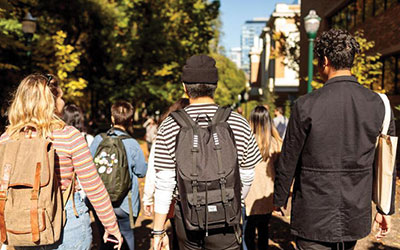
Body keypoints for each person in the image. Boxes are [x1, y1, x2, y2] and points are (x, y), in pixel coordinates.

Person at [273, 29, 396, 250]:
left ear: (325, 61)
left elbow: (289, 158)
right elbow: (388, 161)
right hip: (355, 211)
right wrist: (384, 209)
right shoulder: (379, 104)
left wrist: (279, 198)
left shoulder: (305, 105)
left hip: (313, 211)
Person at [0, 73, 123, 250]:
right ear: (50, 101)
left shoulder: (6, 140)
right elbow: (93, 186)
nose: (63, 102)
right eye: (61, 97)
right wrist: (111, 226)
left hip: (23, 226)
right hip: (68, 226)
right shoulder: (69, 136)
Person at [152, 55, 262, 250]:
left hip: (187, 217)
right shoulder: (237, 122)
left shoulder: (169, 124)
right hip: (227, 216)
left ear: (185, 87)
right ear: (215, 86)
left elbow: (164, 184)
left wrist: (158, 232)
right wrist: (230, 199)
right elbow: (247, 174)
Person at [90, 101, 147, 250]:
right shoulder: (133, 144)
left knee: (104, 238)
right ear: (130, 120)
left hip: (101, 201)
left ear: (112, 119)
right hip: (125, 203)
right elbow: (142, 171)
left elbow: (89, 168)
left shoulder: (99, 139)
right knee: (127, 235)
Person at [142, 98, 190, 250]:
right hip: (200, 197)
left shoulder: (165, 134)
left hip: (174, 197)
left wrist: (148, 197)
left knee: (178, 233)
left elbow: (153, 171)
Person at [243, 106, 282, 250]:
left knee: (248, 232)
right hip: (267, 195)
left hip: (248, 195)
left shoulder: (246, 143)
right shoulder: (275, 143)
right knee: (264, 230)